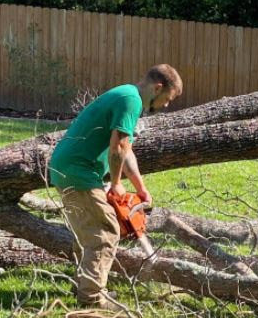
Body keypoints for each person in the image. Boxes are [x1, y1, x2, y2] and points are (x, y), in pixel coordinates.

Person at [49, 64, 183, 310]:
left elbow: (126, 150)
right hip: (79, 171)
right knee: (106, 231)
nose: (166, 105)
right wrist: (117, 184)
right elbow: (118, 147)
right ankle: (91, 299)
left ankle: (83, 283)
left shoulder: (127, 96)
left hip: (66, 168)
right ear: (158, 88)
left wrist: (140, 188)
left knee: (89, 232)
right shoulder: (131, 101)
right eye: (167, 99)